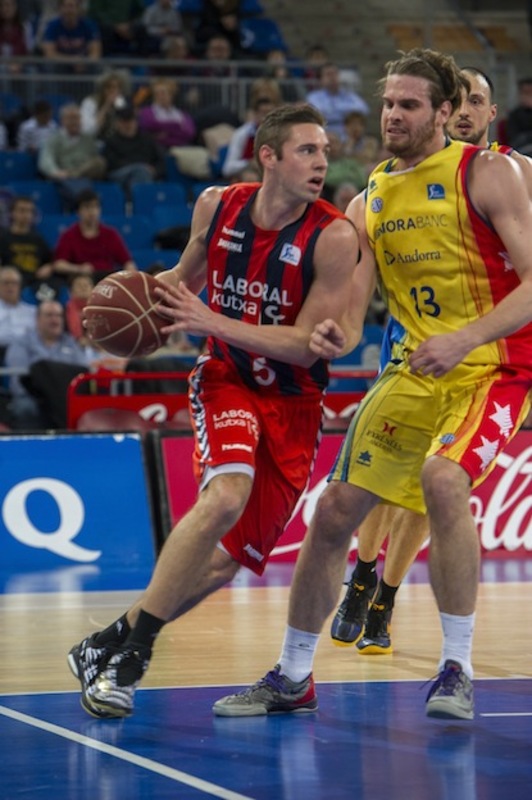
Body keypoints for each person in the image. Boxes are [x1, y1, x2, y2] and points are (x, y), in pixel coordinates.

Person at [212, 48, 532, 721]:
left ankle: (456, 669)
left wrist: (466, 338)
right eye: (388, 103)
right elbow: (352, 316)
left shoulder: (488, 172)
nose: (392, 116)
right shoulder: (367, 200)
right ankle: (293, 675)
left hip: (497, 363)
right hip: (417, 365)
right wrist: (331, 335)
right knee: (333, 510)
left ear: (444, 113)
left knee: (442, 480)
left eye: (409, 105)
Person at [66, 103, 359, 719]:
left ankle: (108, 641)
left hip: (294, 403)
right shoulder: (217, 206)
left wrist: (209, 319)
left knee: (228, 561)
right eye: (307, 150)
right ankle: (132, 658)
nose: (322, 163)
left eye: (325, 151)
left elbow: (304, 344)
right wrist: (130, 309)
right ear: (268, 156)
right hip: (226, 379)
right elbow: (181, 283)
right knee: (225, 496)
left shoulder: (333, 236)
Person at [330, 64, 532, 658]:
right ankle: (363, 572)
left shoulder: (509, 172)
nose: (465, 110)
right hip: (410, 339)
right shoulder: (388, 182)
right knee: (382, 480)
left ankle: (386, 597)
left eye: (476, 100)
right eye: (457, 99)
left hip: (486, 346)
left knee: (432, 482)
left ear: (490, 113)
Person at [5, 298, 89, 429]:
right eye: (49, 315)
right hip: (32, 397)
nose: (55, 320)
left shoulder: (70, 343)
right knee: (25, 408)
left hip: (64, 396)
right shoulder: (22, 343)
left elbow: (82, 372)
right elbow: (17, 380)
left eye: (58, 316)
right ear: (37, 319)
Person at [53, 188, 137, 281]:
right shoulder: (69, 235)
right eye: (87, 207)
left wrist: (131, 277)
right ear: (78, 211)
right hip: (82, 279)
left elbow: (127, 262)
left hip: (107, 280)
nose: (92, 212)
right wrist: (79, 269)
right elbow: (59, 265)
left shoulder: (110, 234)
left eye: (95, 206)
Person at [37, 103, 107, 212]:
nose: (74, 122)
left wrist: (76, 173)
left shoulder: (88, 138)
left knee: (100, 162)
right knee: (73, 185)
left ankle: (73, 175)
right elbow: (46, 159)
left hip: (84, 173)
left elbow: (95, 159)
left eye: (77, 118)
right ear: (62, 121)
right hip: (63, 175)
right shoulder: (54, 139)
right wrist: (55, 171)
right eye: (70, 118)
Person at [102, 101, 166, 201]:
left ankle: (134, 203)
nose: (127, 125)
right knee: (140, 171)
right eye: (124, 121)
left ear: (136, 122)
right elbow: (111, 164)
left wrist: (155, 170)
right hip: (119, 174)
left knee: (141, 174)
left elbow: (160, 161)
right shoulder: (111, 141)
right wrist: (137, 167)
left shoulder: (147, 140)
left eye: (130, 121)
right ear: (118, 123)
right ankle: (140, 202)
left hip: (145, 174)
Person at [306, 62, 370, 140]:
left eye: (335, 74)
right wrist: (346, 114)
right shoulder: (314, 97)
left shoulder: (348, 94)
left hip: (347, 136)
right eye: (328, 74)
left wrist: (332, 111)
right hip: (324, 135)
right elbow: (317, 114)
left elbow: (364, 110)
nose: (333, 77)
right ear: (321, 79)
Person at [40, 0, 102, 72]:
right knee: (50, 66)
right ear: (60, 9)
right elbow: (50, 54)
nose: (68, 11)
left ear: (78, 9)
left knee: (97, 67)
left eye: (71, 6)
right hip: (61, 64)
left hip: (84, 64)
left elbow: (95, 53)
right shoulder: (52, 26)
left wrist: (84, 62)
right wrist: (72, 60)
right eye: (65, 6)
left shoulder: (89, 25)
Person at [137, 77, 196, 151]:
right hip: (159, 148)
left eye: (163, 93)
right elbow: (149, 125)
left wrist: (166, 132)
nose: (159, 96)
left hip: (182, 147)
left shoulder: (181, 114)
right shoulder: (147, 112)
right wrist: (177, 127)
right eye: (156, 93)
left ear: (171, 94)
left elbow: (190, 132)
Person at [79, 69, 131, 142]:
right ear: (102, 88)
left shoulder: (121, 102)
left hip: (118, 143)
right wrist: (106, 105)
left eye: (116, 87)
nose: (112, 91)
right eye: (109, 87)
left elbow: (127, 127)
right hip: (95, 141)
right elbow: (88, 130)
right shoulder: (90, 102)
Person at [0, 264, 36, 350]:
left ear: (20, 286)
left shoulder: (32, 312)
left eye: (14, 283)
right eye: (6, 283)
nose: (10, 286)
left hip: (25, 352)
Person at [505, 77, 532, 156]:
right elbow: (515, 140)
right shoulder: (514, 115)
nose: (528, 96)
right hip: (523, 151)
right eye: (525, 93)